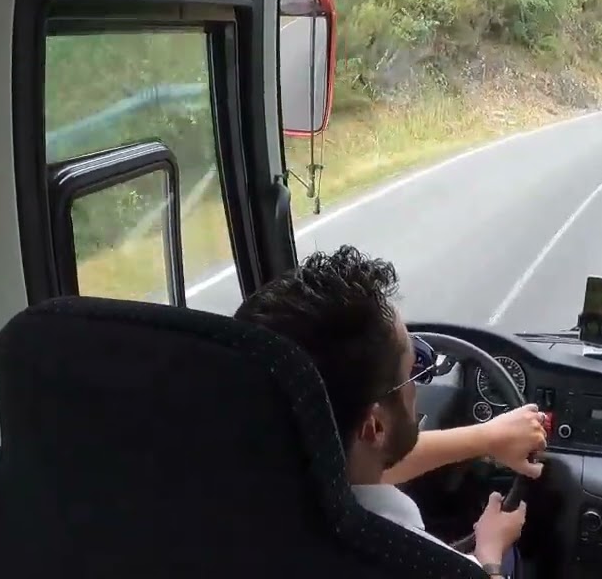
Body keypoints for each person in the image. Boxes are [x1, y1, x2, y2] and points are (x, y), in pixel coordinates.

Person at [234, 245, 548, 577]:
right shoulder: (427, 565)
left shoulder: (206, 503)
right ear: (375, 427)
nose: (418, 386)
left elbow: (355, 465)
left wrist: (487, 437)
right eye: (415, 369)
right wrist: (489, 551)